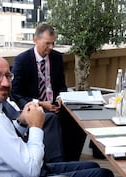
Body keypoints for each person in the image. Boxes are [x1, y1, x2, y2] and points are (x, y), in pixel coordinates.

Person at [0, 39, 64, 163]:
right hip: (5, 126)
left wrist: (23, 117)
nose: (5, 82)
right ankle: (55, 166)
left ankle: (56, 162)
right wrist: (33, 128)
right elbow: (31, 170)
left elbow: (11, 98)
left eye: (7, 76)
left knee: (53, 117)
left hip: (15, 117)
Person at [11, 23, 86, 161]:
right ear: (36, 40)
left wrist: (59, 99)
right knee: (53, 119)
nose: (51, 47)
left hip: (55, 104)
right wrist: (40, 103)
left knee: (77, 120)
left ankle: (72, 160)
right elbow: (16, 93)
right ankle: (58, 161)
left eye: (53, 43)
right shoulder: (22, 60)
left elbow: (62, 86)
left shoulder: (57, 57)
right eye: (47, 43)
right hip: (35, 107)